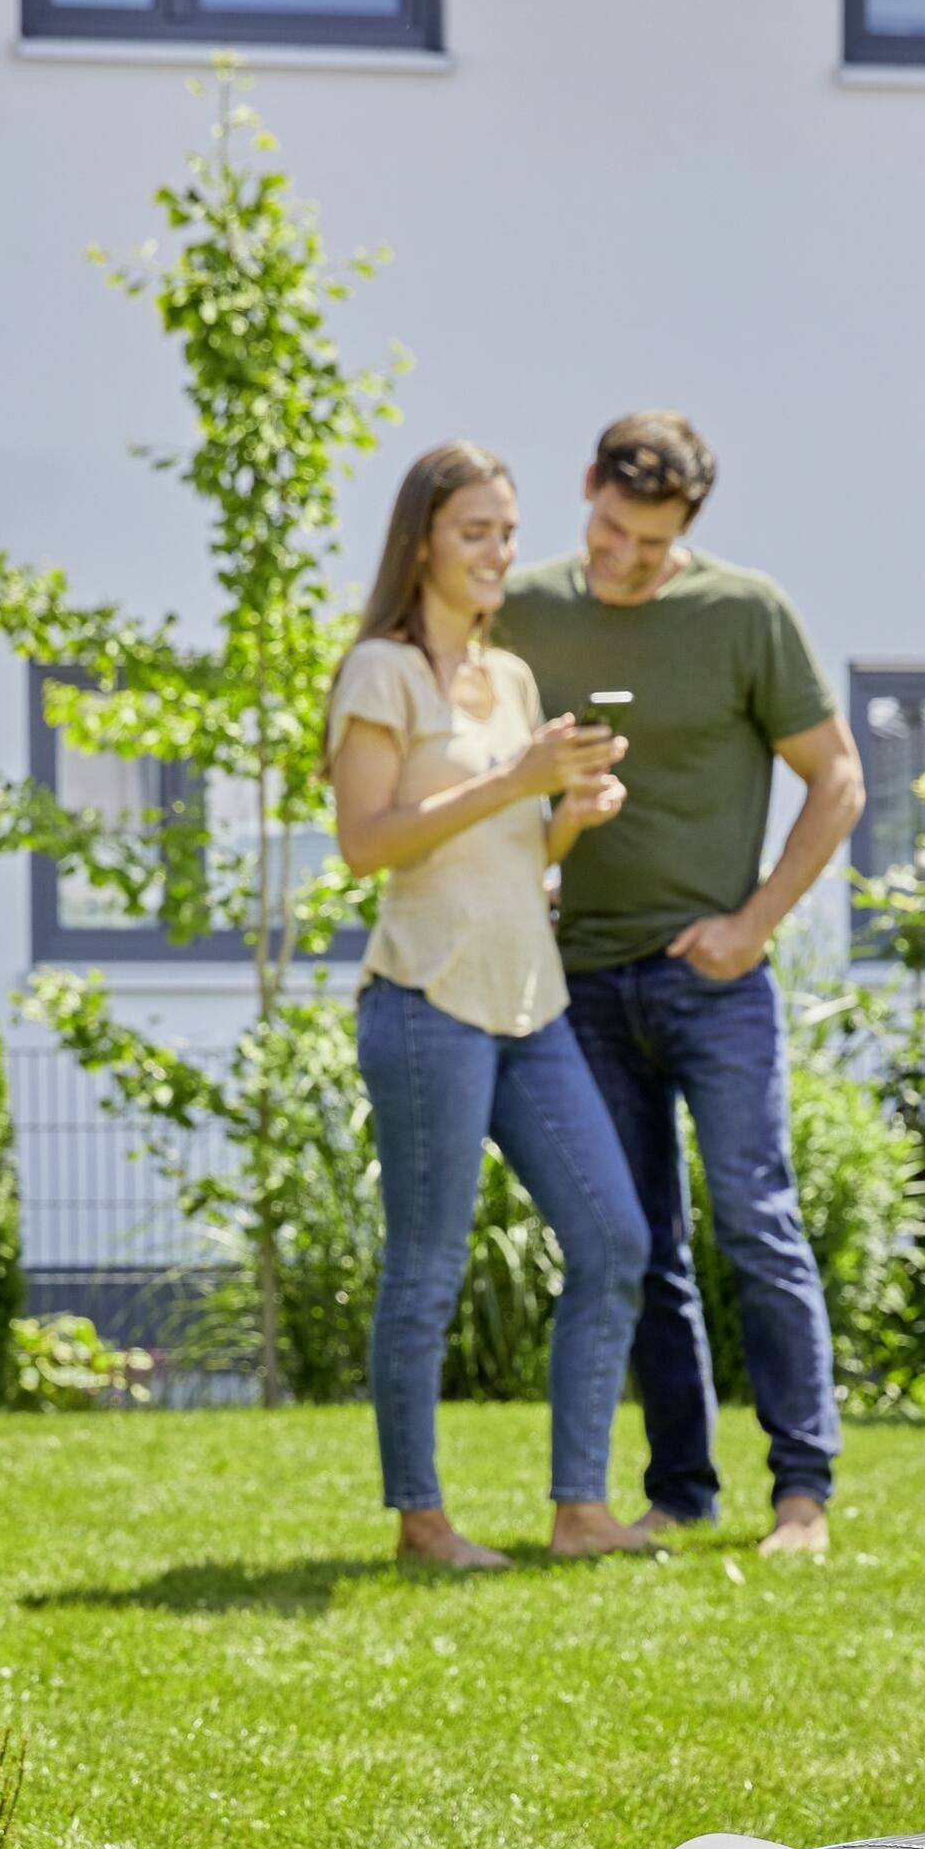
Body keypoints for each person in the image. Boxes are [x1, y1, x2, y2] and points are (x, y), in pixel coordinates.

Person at [497, 411, 866, 1557]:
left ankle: (800, 1495)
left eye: (649, 546)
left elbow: (836, 777)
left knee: (756, 1220)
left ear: (686, 532)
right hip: (586, 982)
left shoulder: (743, 615)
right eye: (609, 529)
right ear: (586, 491)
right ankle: (683, 1488)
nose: (622, 558)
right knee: (640, 1238)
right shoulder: (527, 610)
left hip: (713, 982)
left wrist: (753, 925)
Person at [328, 440, 663, 1571]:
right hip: (426, 996)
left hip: (531, 996)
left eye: (508, 532)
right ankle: (422, 1522)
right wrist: (513, 782)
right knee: (426, 1265)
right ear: (422, 536)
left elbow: (523, 852)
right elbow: (363, 843)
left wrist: (566, 809)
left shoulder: (511, 679)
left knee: (613, 1236)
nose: (497, 553)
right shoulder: (381, 673)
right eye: (476, 530)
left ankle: (580, 1509)